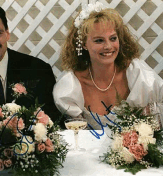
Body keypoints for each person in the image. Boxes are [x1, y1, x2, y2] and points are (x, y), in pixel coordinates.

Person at [53, 2, 163, 130]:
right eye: (99, 40)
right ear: (83, 44)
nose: (108, 46)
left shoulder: (138, 75)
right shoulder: (70, 87)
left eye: (113, 38)